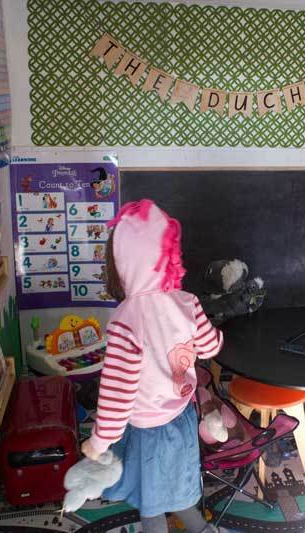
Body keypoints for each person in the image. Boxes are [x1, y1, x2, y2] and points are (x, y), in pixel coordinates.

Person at [80, 200, 223, 533]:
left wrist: (98, 443)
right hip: (183, 420)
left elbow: (118, 395)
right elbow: (211, 346)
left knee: (152, 506)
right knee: (178, 492)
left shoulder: (126, 321)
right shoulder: (187, 302)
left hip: (149, 432)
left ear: (121, 264)